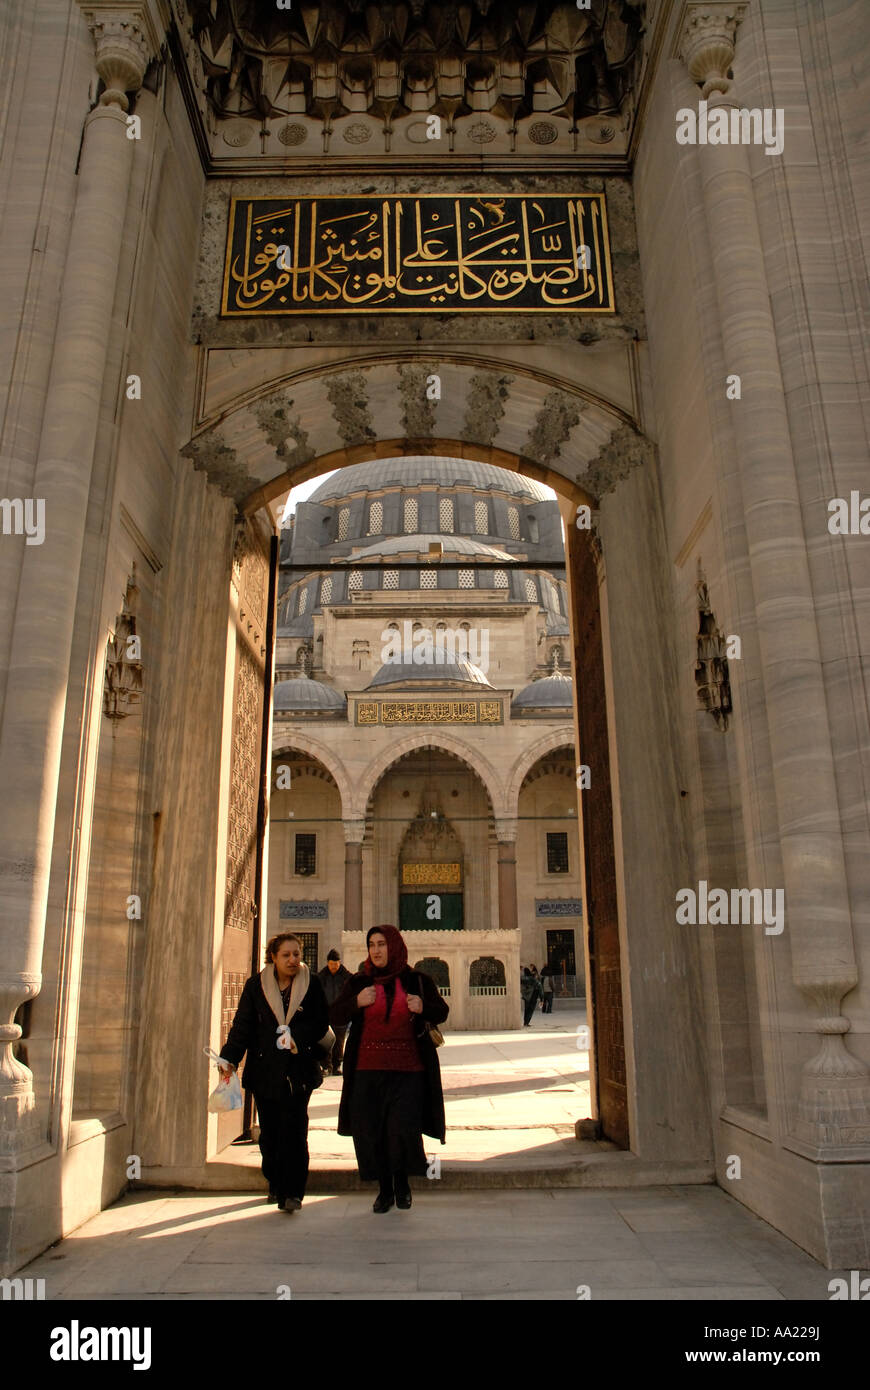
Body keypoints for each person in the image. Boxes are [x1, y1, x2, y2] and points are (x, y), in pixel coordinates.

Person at [332, 924, 449, 1213]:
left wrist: (423, 1006)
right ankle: (384, 1191)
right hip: (366, 1071)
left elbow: (442, 1011)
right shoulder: (359, 982)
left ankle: (402, 1185)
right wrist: (355, 1003)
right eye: (372, 944)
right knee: (373, 1131)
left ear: (394, 946)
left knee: (400, 1129)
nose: (376, 950)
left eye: (382, 944)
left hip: (408, 1070)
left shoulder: (416, 980)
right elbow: (333, 1013)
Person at [217, 933, 333, 1213]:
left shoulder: (311, 983)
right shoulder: (256, 986)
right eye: (286, 955)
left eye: (296, 954)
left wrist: (296, 1037)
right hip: (265, 1070)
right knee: (270, 1133)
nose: (293, 960)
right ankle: (275, 1181)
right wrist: (229, 1057)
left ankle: (293, 1192)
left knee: (295, 1131)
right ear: (273, 957)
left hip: (298, 1071)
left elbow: (321, 1023)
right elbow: (243, 1025)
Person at [316, 948, 353, 1074]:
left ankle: (337, 1065)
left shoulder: (346, 977)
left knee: (339, 1041)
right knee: (326, 1040)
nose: (333, 967)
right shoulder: (321, 977)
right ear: (328, 963)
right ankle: (326, 1066)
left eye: (336, 964)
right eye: (331, 964)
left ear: (339, 963)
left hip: (341, 1014)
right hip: (325, 1014)